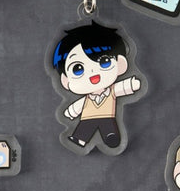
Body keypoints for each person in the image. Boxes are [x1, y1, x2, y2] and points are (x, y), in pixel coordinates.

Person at [52, 21, 141, 150]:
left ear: (120, 64)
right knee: (84, 128)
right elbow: (79, 105)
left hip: (107, 116)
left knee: (109, 128)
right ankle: (80, 139)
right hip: (87, 117)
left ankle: (111, 137)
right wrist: (71, 112)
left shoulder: (111, 90)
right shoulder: (86, 98)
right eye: (78, 69)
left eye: (104, 61)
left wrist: (131, 84)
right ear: (66, 80)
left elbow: (121, 87)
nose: (93, 72)